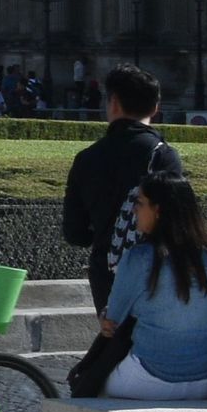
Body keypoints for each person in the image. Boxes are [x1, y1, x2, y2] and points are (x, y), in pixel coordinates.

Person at [101, 154, 207, 401]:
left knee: (95, 392)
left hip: (150, 377)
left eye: (140, 203)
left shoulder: (140, 258)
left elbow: (114, 321)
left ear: (158, 210)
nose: (135, 209)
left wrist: (105, 317)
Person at [66, 67, 170, 315]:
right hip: (155, 273)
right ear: (155, 107)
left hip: (107, 272)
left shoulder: (86, 158)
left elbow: (75, 233)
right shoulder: (163, 155)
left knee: (113, 344)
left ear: (113, 103)